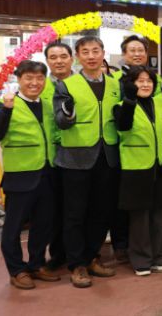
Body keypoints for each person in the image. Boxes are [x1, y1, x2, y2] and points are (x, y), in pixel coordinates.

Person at [53, 36, 120, 288]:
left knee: (101, 211)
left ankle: (92, 256)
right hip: (75, 159)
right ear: (77, 57)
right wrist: (67, 114)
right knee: (74, 214)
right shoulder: (66, 85)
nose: (91, 56)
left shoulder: (115, 84)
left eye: (95, 51)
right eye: (85, 52)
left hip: (108, 156)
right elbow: (61, 121)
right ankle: (76, 264)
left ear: (103, 53)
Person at [0, 61, 60, 289]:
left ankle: (36, 264)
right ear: (18, 79)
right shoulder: (3, 104)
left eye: (39, 78)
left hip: (47, 174)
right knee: (14, 227)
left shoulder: (48, 105)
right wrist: (7, 109)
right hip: (20, 176)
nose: (34, 83)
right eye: (29, 78)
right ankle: (17, 270)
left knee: (43, 224)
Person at [113, 66, 162, 276]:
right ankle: (141, 259)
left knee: (159, 216)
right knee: (140, 218)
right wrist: (130, 100)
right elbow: (124, 126)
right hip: (136, 168)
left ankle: (159, 256)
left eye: (149, 81)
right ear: (130, 84)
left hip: (160, 167)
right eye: (140, 81)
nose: (145, 84)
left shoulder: (161, 105)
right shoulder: (121, 106)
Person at [41, 42, 73, 272]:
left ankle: (80, 252)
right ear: (47, 61)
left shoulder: (81, 85)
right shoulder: (39, 86)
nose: (59, 61)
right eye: (53, 57)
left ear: (72, 58)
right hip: (51, 158)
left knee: (78, 208)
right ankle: (58, 253)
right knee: (54, 209)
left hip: (78, 155)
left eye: (63, 56)